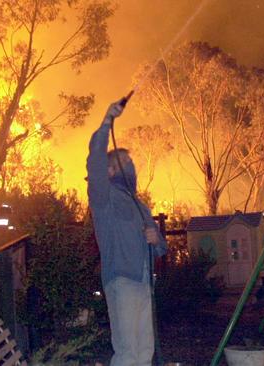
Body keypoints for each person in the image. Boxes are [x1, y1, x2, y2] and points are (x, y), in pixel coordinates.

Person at [87, 100, 167, 365]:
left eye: (131, 163)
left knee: (145, 351)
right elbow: (95, 160)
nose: (130, 167)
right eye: (125, 162)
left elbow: (161, 247)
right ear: (110, 171)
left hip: (145, 283)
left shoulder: (141, 205)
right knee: (128, 352)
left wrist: (157, 241)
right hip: (121, 280)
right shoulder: (104, 196)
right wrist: (107, 119)